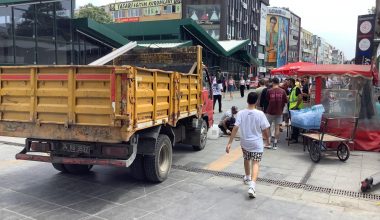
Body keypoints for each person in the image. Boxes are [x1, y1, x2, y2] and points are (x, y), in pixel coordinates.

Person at [226, 92, 270, 198]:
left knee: (246, 158)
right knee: (255, 163)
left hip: (245, 142)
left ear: (247, 100)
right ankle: (252, 186)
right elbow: (265, 129)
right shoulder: (260, 114)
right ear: (256, 101)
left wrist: (230, 143)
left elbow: (235, 128)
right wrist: (267, 140)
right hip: (257, 143)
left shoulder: (241, 113)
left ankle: (247, 177)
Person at [265, 77, 288, 149]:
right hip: (279, 111)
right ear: (278, 83)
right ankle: (275, 144)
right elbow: (286, 101)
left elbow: (267, 100)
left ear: (272, 82)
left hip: (270, 111)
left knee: (268, 127)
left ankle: (268, 143)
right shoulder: (283, 91)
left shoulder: (269, 91)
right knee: (277, 127)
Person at [288, 78, 303, 143]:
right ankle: (293, 137)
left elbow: (300, 98)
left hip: (295, 109)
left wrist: (296, 106)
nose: (286, 83)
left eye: (287, 82)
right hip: (292, 109)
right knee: (293, 124)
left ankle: (295, 138)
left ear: (291, 82)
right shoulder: (292, 89)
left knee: (295, 124)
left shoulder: (296, 88)